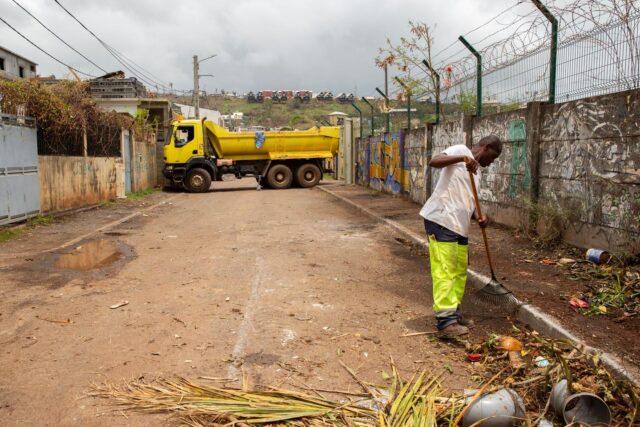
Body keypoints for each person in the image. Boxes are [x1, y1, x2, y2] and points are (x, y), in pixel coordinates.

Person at [420, 135, 502, 339]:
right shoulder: (460, 151)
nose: (491, 163)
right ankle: (445, 323)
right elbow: (434, 161)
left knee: (459, 270)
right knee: (445, 270)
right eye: (492, 157)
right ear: (486, 148)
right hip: (441, 219)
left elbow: (469, 201)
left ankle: (454, 313)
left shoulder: (476, 173)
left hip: (459, 225)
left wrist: (480, 217)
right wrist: (461, 159)